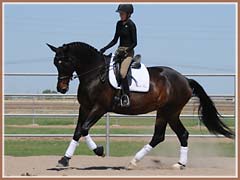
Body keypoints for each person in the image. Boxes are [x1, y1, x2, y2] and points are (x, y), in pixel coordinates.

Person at [100, 4, 137, 107]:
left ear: (128, 14)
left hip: (128, 52)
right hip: (119, 51)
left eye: (122, 13)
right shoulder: (119, 24)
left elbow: (135, 43)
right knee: (107, 68)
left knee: (122, 73)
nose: (120, 15)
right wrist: (104, 48)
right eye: (120, 13)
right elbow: (115, 40)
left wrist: (126, 51)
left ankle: (126, 96)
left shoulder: (131, 25)